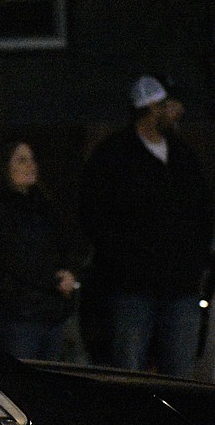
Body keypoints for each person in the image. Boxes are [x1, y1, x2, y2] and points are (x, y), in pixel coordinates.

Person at [79, 75, 214, 377]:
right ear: (152, 108)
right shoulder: (114, 155)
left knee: (179, 375)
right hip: (133, 288)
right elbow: (93, 212)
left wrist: (198, 260)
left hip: (180, 286)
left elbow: (201, 209)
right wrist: (120, 259)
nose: (175, 111)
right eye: (166, 105)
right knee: (130, 372)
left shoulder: (181, 155)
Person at [0, 140, 81, 360]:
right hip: (19, 316)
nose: (30, 165)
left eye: (32, 159)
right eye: (22, 160)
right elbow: (12, 259)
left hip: (52, 312)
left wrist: (69, 272)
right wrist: (54, 280)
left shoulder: (44, 205)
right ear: (4, 167)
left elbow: (65, 243)